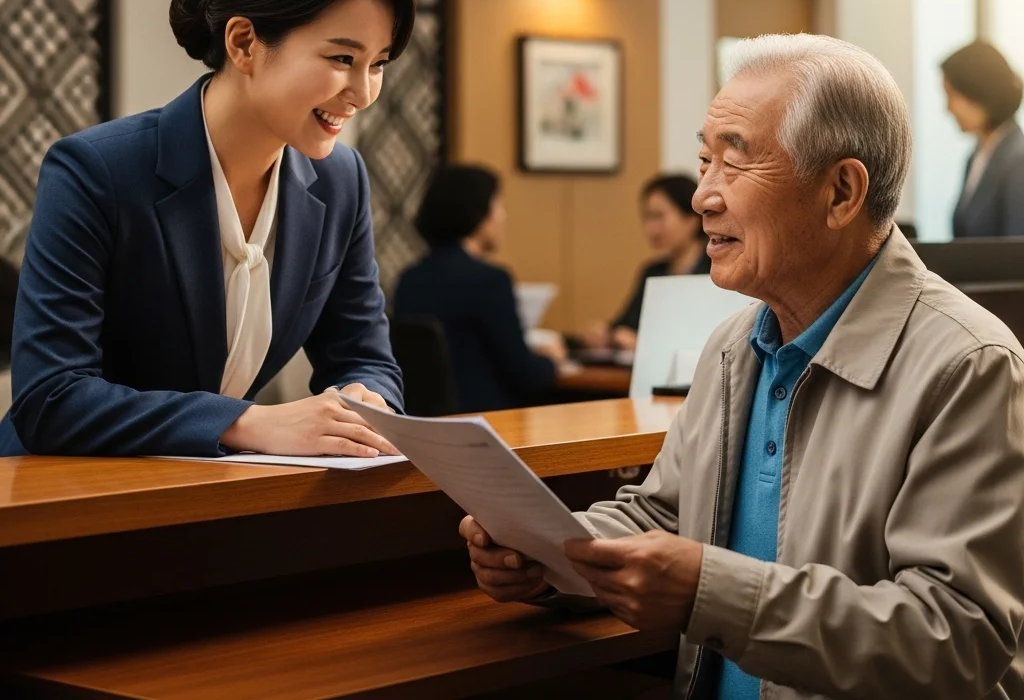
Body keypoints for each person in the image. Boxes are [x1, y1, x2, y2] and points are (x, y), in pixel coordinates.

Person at [461, 34, 1024, 699]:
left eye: (733, 164)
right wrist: (554, 555)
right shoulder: (732, 346)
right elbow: (666, 518)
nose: (703, 196)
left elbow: (958, 640)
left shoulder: (970, 366)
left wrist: (711, 591)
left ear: (841, 192)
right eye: (703, 162)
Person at [0, 0, 412, 457]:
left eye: (379, 63)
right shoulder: (96, 170)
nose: (363, 93)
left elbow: (365, 356)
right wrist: (247, 422)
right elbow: (50, 398)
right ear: (243, 43)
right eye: (343, 57)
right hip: (63, 499)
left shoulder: (340, 180)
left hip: (220, 493)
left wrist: (370, 401)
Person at [394, 165, 566, 412]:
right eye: (498, 205)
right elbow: (525, 375)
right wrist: (552, 360)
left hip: (422, 427)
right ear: (478, 213)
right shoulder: (489, 281)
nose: (502, 216)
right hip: (487, 428)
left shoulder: (409, 280)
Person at [584, 174, 709, 352]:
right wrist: (607, 334)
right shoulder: (653, 271)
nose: (650, 229)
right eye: (647, 218)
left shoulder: (716, 270)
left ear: (691, 219)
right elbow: (627, 325)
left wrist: (645, 344)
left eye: (658, 217)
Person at [941, 40, 1024, 237]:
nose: (949, 108)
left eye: (952, 95)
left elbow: (1015, 251)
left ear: (978, 92)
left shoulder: (1018, 161)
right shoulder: (977, 157)